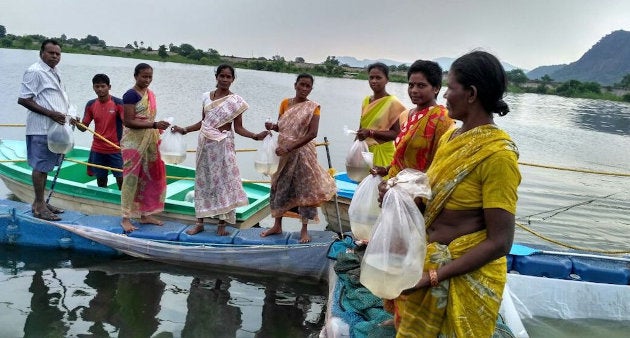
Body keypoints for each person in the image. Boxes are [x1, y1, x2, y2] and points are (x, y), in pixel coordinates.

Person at [390, 51, 521, 337]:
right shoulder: (452, 137)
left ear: (471, 93)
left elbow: (501, 242)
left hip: (463, 277)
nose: (445, 94)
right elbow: (434, 199)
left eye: (450, 87)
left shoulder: (498, 156)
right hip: (429, 259)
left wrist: (433, 277)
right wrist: (400, 198)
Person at [171, 64, 268, 236]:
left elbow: (238, 128)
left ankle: (222, 225)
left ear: (233, 79)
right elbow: (203, 122)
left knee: (223, 183)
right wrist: (184, 129)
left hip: (223, 147)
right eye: (221, 76)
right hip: (205, 146)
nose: (224, 79)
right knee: (203, 182)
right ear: (216, 77)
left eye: (228, 77)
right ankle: (199, 222)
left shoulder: (236, 102)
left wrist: (255, 136)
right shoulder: (206, 98)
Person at [260, 73, 337, 243]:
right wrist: (272, 126)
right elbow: (282, 127)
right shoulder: (285, 103)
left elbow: (312, 133)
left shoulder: (313, 107)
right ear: (295, 85)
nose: (304, 89)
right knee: (279, 185)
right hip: (283, 152)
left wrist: (290, 147)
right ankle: (277, 225)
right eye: (301, 84)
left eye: (307, 86)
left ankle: (304, 230)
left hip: (303, 153)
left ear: (311, 89)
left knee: (305, 190)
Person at [371, 60, 453, 179]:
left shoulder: (443, 118)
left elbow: (441, 162)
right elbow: (402, 157)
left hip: (419, 190)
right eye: (411, 85)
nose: (414, 90)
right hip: (395, 184)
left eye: (421, 85)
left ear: (436, 88)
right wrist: (386, 170)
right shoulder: (405, 115)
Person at [17, 39, 68, 221]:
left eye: (58, 53)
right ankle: (39, 206)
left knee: (46, 166)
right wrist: (50, 113)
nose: (55, 56)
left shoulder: (55, 71)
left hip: (53, 129)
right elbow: (24, 99)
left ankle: (41, 203)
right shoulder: (35, 71)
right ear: (42, 53)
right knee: (40, 167)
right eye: (51, 52)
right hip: (40, 128)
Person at [120, 63, 171, 233]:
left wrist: (158, 126)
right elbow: (128, 121)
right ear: (136, 76)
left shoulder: (150, 95)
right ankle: (125, 217)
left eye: (150, 76)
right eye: (144, 76)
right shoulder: (130, 95)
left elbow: (148, 118)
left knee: (150, 176)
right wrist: (154, 124)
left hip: (150, 140)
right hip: (133, 143)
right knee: (131, 178)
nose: (147, 80)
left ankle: (146, 214)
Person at [73, 73, 124, 189]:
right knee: (101, 180)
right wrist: (76, 123)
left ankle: (123, 204)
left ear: (109, 87)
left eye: (103, 86)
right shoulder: (91, 105)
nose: (100, 89)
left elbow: (127, 123)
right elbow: (83, 128)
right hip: (98, 149)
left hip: (115, 148)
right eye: (97, 86)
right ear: (93, 87)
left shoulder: (118, 103)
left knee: (121, 179)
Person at [355, 62, 406, 167]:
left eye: (378, 78)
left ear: (387, 80)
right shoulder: (366, 101)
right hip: (365, 151)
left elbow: (396, 134)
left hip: (382, 152)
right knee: (363, 181)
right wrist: (355, 147)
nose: (374, 81)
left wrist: (371, 133)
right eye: (371, 77)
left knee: (381, 182)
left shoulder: (393, 103)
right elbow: (361, 127)